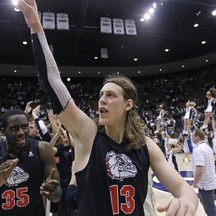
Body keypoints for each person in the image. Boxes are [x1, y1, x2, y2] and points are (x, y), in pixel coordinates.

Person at [17, 1, 199, 215]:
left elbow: (183, 188)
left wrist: (187, 201)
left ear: (128, 104)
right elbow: (52, 81)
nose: (101, 100)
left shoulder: (146, 145)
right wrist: (35, 27)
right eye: (101, 95)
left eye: (110, 95)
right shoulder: (88, 134)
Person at [0, 109, 62, 216]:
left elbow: (57, 197)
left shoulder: (43, 149)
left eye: (24, 127)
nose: (21, 132)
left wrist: (52, 191)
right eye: (14, 128)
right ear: (3, 131)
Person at [191, 128, 216, 215]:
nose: (191, 137)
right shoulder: (207, 147)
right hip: (210, 182)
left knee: (210, 211)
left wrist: (194, 184)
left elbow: (199, 170)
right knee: (211, 208)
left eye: (192, 136)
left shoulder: (198, 149)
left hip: (205, 185)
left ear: (197, 137)